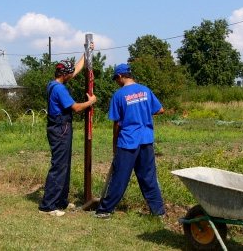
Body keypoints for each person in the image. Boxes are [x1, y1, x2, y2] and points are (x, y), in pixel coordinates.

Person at [95, 63, 165, 219]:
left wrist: (114, 145)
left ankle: (105, 211)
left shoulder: (119, 96)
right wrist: (144, 113)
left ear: (120, 76)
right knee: (148, 177)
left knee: (120, 177)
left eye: (115, 79)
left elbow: (116, 124)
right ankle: (158, 212)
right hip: (146, 140)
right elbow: (160, 109)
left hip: (127, 142)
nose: (116, 82)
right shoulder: (146, 90)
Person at [39, 47, 97, 217]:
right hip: (60, 128)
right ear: (64, 74)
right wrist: (91, 102)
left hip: (59, 127)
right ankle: (48, 206)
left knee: (64, 165)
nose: (72, 75)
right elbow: (77, 108)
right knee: (59, 166)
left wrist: (86, 53)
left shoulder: (53, 83)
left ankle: (61, 201)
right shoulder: (60, 90)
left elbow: (76, 70)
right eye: (69, 73)